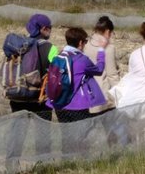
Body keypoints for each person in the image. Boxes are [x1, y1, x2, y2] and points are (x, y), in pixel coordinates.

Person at [4, 13, 57, 174]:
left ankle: (11, 166)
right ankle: (43, 166)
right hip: (40, 98)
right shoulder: (50, 48)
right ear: (43, 29)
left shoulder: (19, 45)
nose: (50, 31)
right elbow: (56, 72)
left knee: (17, 132)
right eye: (49, 28)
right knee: (43, 133)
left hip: (18, 95)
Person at [45, 27, 106, 158]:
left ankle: (66, 160)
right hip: (77, 105)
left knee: (65, 135)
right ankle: (81, 161)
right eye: (85, 42)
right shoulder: (82, 60)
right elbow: (99, 70)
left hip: (59, 103)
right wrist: (101, 52)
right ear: (80, 43)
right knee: (81, 136)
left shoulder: (58, 57)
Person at [84, 16, 120, 114]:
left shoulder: (86, 44)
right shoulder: (108, 48)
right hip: (102, 93)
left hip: (87, 92)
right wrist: (119, 94)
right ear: (108, 31)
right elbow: (112, 74)